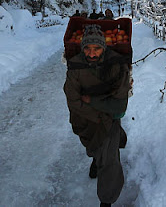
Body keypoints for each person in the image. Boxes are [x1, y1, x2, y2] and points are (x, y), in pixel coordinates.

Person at [64, 25, 131, 207]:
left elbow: (120, 103)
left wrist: (92, 101)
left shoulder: (116, 65)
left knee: (110, 160)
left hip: (109, 120)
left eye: (97, 48)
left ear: (104, 47)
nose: (91, 54)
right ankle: (95, 158)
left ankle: (106, 201)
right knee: (93, 145)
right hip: (85, 120)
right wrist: (100, 110)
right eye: (87, 48)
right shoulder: (76, 66)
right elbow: (73, 100)